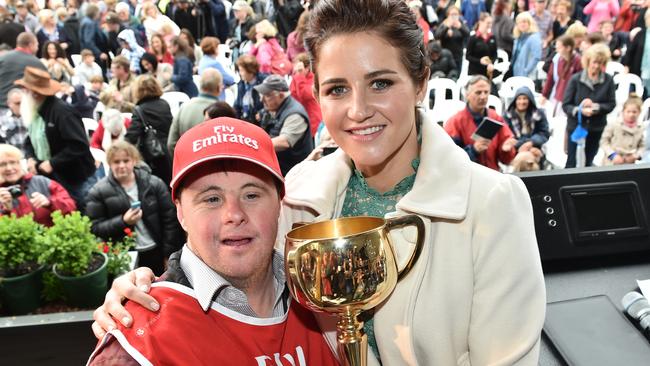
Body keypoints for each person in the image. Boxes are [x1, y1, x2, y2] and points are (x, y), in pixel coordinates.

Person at [94, 2, 546, 365]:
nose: (358, 109)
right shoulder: (302, 191)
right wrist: (144, 288)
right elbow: (239, 270)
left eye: (381, 82)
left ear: (420, 80)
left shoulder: (491, 203)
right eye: (337, 89)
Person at [87, 118, 338, 365]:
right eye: (211, 199)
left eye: (251, 195)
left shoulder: (324, 295)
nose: (234, 215)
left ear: (278, 204)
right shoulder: (137, 345)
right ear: (181, 213)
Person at [86, 141, 183, 276]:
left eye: (126, 160)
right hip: (125, 255)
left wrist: (169, 254)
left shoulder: (154, 183)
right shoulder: (98, 192)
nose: (122, 166)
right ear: (109, 163)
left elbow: (170, 221)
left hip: (156, 251)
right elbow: (95, 228)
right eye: (116, 162)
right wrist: (123, 221)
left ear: (134, 161)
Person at [16, 66, 97, 211]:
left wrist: (53, 163)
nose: (23, 94)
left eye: (25, 90)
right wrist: (30, 158)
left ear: (35, 93)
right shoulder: (36, 112)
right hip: (52, 177)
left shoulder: (62, 112)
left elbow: (79, 145)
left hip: (75, 178)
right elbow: (30, 140)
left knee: (82, 213)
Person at [445, 75, 518, 170]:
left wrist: (506, 150)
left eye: (486, 92)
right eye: (478, 92)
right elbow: (450, 159)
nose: (483, 96)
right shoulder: (455, 122)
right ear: (467, 95)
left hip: (493, 175)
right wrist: (473, 150)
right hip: (467, 177)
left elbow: (506, 160)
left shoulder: (496, 118)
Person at [562, 43, 616, 168]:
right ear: (588, 61)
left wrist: (595, 107)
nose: (596, 66)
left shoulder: (608, 80)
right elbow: (566, 105)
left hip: (596, 128)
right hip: (576, 127)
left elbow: (611, 104)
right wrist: (580, 110)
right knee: (571, 162)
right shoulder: (576, 79)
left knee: (588, 161)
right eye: (594, 62)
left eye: (600, 63)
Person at [0, 143, 76, 226]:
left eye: (13, 162)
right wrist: (6, 210)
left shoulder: (41, 182)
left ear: (20, 164)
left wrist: (50, 203)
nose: (9, 168)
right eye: (2, 164)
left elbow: (71, 208)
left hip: (50, 236)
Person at [255, 74, 313, 175]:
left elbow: (284, 142)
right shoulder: (272, 107)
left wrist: (254, 144)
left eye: (267, 95)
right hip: (278, 168)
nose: (262, 100)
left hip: (295, 174)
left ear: (281, 95)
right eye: (261, 95)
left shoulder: (295, 115)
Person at [124, 75, 174, 186]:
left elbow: (131, 137)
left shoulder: (140, 109)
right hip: (168, 152)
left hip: (153, 156)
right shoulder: (164, 104)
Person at [167, 69, 224, 156]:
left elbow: (171, 144)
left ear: (200, 86)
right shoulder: (223, 111)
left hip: (187, 164)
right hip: (213, 166)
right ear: (219, 87)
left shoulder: (184, 107)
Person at [502, 86, 550, 169]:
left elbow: (544, 133)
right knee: (525, 161)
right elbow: (507, 138)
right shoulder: (507, 116)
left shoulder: (538, 114)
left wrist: (531, 143)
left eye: (525, 98)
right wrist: (522, 145)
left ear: (530, 100)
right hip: (515, 150)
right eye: (519, 99)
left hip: (535, 147)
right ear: (515, 100)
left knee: (527, 160)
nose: (522, 102)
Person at [0, 32, 46, 109]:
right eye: (37, 45)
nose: (38, 48)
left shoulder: (3, 58)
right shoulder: (35, 62)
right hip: (21, 108)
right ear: (31, 45)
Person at [542, 35, 582, 117]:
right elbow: (550, 77)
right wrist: (544, 95)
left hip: (571, 98)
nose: (557, 50)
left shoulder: (578, 61)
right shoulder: (558, 59)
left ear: (568, 48)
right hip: (558, 95)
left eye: (559, 47)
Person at [599, 94, 645, 165]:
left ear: (639, 113)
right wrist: (613, 155)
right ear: (623, 111)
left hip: (629, 162)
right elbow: (604, 141)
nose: (631, 115)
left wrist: (636, 155)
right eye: (628, 111)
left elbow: (643, 145)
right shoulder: (614, 124)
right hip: (611, 162)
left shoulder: (641, 128)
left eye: (634, 112)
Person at [289, 53, 321, 136]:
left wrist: (300, 75)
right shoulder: (296, 78)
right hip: (300, 119)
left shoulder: (313, 79)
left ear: (307, 68)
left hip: (313, 121)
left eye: (300, 69)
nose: (297, 71)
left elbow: (304, 95)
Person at [623, 10, 650, 96]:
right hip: (639, 69)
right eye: (648, 18)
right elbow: (630, 51)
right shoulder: (640, 34)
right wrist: (626, 66)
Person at [233, 54, 267, 124]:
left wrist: (262, 112)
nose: (240, 73)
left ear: (250, 71)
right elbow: (237, 105)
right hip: (246, 121)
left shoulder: (264, 82)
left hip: (261, 122)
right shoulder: (241, 84)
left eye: (242, 70)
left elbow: (272, 103)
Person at [435, 6, 469, 70]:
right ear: (448, 15)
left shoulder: (461, 24)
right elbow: (437, 35)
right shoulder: (444, 24)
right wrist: (447, 27)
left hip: (458, 56)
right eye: (452, 14)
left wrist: (460, 27)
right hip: (445, 56)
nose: (454, 16)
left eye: (456, 14)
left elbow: (467, 34)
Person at [466, 13, 497, 78]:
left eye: (491, 23)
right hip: (475, 72)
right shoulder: (473, 38)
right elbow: (468, 56)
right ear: (480, 22)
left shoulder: (492, 37)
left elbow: (495, 54)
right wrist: (479, 61)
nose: (490, 25)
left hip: (488, 71)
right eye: (488, 23)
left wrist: (491, 63)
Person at [511, 12, 542, 78]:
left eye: (524, 22)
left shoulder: (534, 37)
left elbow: (536, 57)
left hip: (527, 75)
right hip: (517, 73)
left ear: (530, 23)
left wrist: (526, 71)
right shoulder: (518, 37)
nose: (522, 24)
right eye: (519, 22)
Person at [0, 89, 28, 153]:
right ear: (9, 103)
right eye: (17, 103)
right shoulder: (2, 119)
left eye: (23, 103)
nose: (21, 106)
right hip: (11, 157)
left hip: (30, 158)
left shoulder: (32, 117)